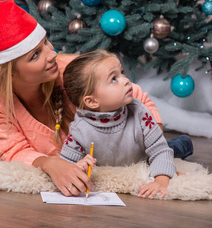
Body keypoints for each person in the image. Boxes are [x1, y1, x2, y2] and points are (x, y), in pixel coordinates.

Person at [0, 0, 192, 197]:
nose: (52, 54)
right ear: (8, 72)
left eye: (46, 42)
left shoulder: (68, 70)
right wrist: (51, 164)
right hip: (91, 154)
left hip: (123, 141)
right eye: (35, 54)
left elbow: (139, 99)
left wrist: (156, 150)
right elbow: (12, 149)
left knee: (168, 148)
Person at [61, 50, 176, 199]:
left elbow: (160, 150)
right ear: (92, 101)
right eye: (114, 79)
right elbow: (65, 166)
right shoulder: (79, 130)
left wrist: (161, 180)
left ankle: (182, 144)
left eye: (122, 73)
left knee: (173, 149)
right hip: (122, 156)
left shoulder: (139, 112)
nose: (126, 80)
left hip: (143, 153)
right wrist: (79, 166)